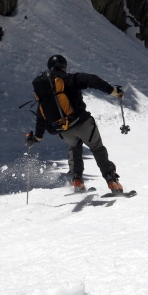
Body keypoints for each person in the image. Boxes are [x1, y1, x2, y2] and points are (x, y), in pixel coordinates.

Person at [26, 54, 126, 193]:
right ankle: (112, 181)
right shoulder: (70, 79)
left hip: (65, 130)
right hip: (83, 124)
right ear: (64, 67)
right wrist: (113, 91)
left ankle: (77, 180)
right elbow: (93, 80)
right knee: (97, 149)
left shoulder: (46, 92)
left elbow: (41, 117)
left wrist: (36, 137)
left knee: (74, 147)